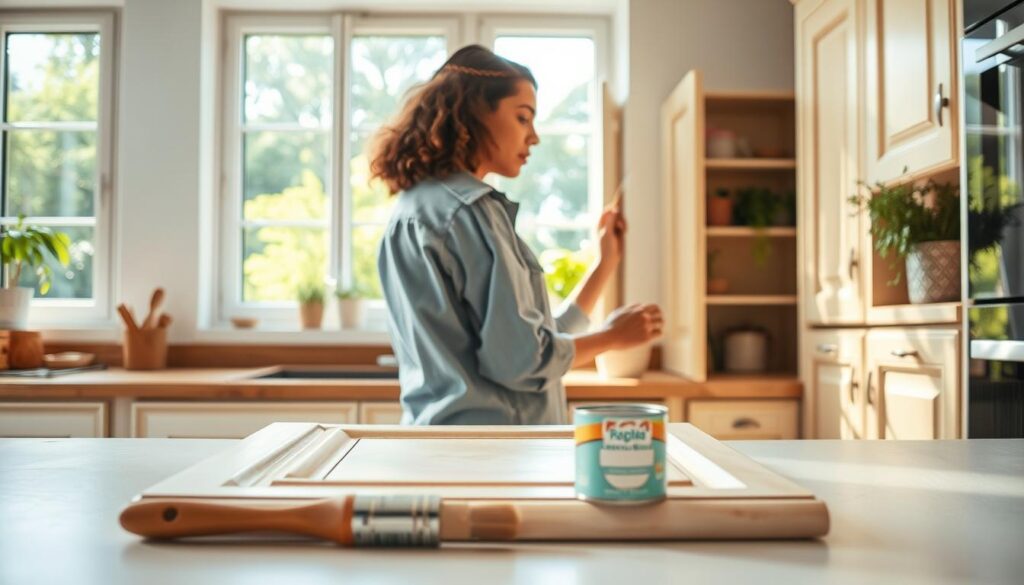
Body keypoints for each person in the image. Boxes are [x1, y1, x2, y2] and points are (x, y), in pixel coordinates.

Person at [370, 45, 663, 425]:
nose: (534, 137)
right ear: (474, 112)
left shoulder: (413, 208)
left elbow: (529, 338)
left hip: (440, 446)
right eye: (523, 118)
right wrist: (611, 337)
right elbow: (522, 362)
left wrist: (605, 264)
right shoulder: (473, 212)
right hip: (495, 455)